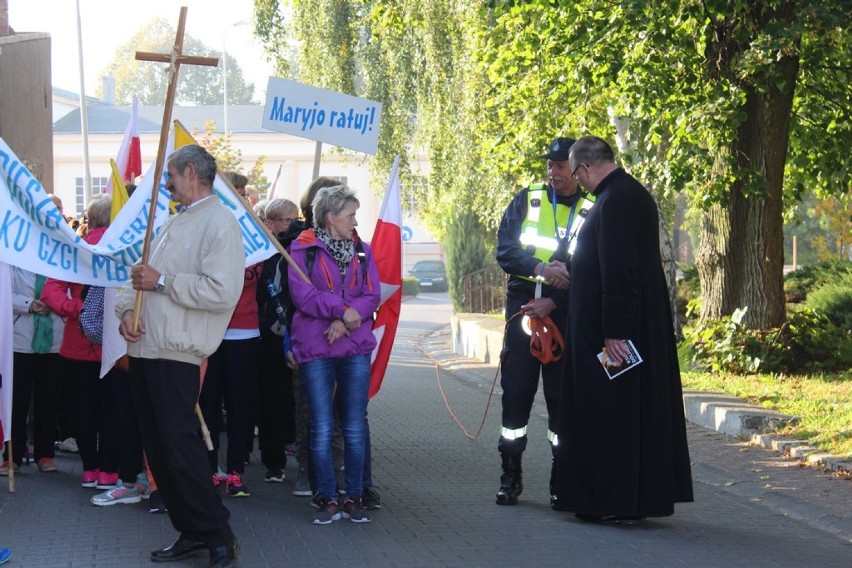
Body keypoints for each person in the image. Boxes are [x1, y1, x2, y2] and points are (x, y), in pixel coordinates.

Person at [553, 135, 693, 522]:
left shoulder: (613, 202)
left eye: (577, 175)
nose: (578, 183)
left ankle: (612, 501)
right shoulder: (629, 194)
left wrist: (614, 331)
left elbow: (618, 271)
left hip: (613, 334)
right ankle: (625, 499)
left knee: (611, 415)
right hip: (627, 324)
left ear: (583, 167)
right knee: (626, 414)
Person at [116, 144, 242, 566]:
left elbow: (222, 291)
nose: (166, 184)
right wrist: (123, 315)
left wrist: (163, 281)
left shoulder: (220, 222)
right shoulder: (171, 222)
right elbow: (137, 276)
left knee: (180, 448)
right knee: (160, 448)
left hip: (178, 354)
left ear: (191, 172)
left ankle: (217, 533)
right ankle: (190, 530)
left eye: (170, 175)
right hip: (146, 348)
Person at [494, 136, 594, 506]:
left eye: (561, 166)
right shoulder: (528, 198)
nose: (554, 173)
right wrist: (539, 270)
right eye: (550, 165)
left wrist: (554, 299)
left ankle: (560, 479)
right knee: (517, 394)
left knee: (561, 399)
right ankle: (510, 475)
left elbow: (595, 269)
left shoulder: (593, 207)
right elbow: (505, 249)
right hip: (523, 305)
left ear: (578, 168)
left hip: (566, 312)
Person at [288, 184, 381, 524]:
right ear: (330, 217)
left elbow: (372, 294)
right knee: (322, 426)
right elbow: (304, 297)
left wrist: (345, 321)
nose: (355, 222)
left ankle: (354, 496)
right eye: (350, 215)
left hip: (354, 346)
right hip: (316, 348)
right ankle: (326, 496)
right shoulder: (302, 249)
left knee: (355, 426)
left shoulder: (362, 251)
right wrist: (343, 312)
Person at [41, 195, 129, 491]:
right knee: (114, 411)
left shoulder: (75, 249)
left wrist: (77, 310)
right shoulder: (125, 250)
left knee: (83, 412)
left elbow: (50, 292)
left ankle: (89, 469)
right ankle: (109, 471)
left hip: (77, 347)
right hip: (117, 346)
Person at [199, 260, 261, 497]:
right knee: (209, 404)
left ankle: (235, 472)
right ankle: (210, 469)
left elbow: (249, 279)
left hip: (244, 332)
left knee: (238, 406)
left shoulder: (254, 243)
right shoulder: (211, 239)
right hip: (210, 332)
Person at [1, 267, 65, 476]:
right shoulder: (13, 259)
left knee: (48, 400)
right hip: (19, 341)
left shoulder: (59, 258)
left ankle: (45, 454)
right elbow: (3, 292)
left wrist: (55, 303)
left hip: (54, 341)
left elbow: (72, 291)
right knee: (16, 402)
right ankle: (12, 456)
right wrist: (29, 305)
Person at [255, 198, 300, 484]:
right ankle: (274, 461)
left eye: (294, 219)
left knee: (298, 401)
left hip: (301, 334)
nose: (291, 226)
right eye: (285, 220)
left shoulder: (301, 248)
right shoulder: (262, 252)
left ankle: (299, 450)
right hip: (271, 335)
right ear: (269, 222)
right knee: (272, 399)